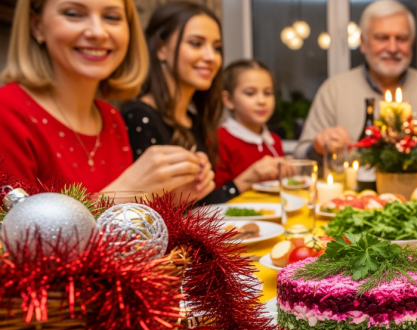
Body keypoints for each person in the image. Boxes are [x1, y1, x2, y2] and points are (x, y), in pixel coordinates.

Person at [0, 0, 213, 199]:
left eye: (112, 17)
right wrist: (122, 194)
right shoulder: (7, 111)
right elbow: (12, 226)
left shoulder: (111, 118)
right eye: (73, 14)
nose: (98, 32)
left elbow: (117, 221)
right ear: (36, 26)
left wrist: (165, 197)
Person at [295, 0, 417, 161]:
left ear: (412, 42)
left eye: (401, 38)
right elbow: (300, 158)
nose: (393, 48)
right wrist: (317, 147)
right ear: (363, 42)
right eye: (382, 38)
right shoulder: (334, 90)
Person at [121, 1, 235, 204]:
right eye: (196, 43)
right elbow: (137, 211)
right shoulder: (138, 117)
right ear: (161, 48)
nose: (211, 57)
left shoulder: (194, 120)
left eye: (217, 47)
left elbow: (202, 203)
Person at [216, 59, 286, 192]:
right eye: (250, 93)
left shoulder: (275, 141)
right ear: (228, 100)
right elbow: (216, 195)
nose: (262, 101)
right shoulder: (219, 140)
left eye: (267, 93)